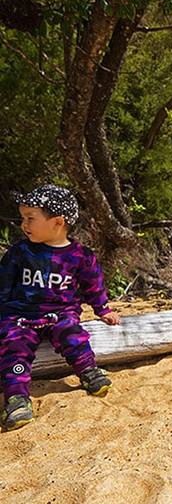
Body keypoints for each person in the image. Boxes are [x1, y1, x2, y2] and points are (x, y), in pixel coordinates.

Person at [0, 184, 121, 431]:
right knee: (14, 348)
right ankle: (17, 399)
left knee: (73, 334)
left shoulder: (80, 256)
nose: (23, 224)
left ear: (58, 222)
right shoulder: (20, 252)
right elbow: (4, 283)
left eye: (30, 218)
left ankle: (88, 370)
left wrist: (103, 309)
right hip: (20, 316)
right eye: (23, 218)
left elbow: (93, 285)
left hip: (61, 314)